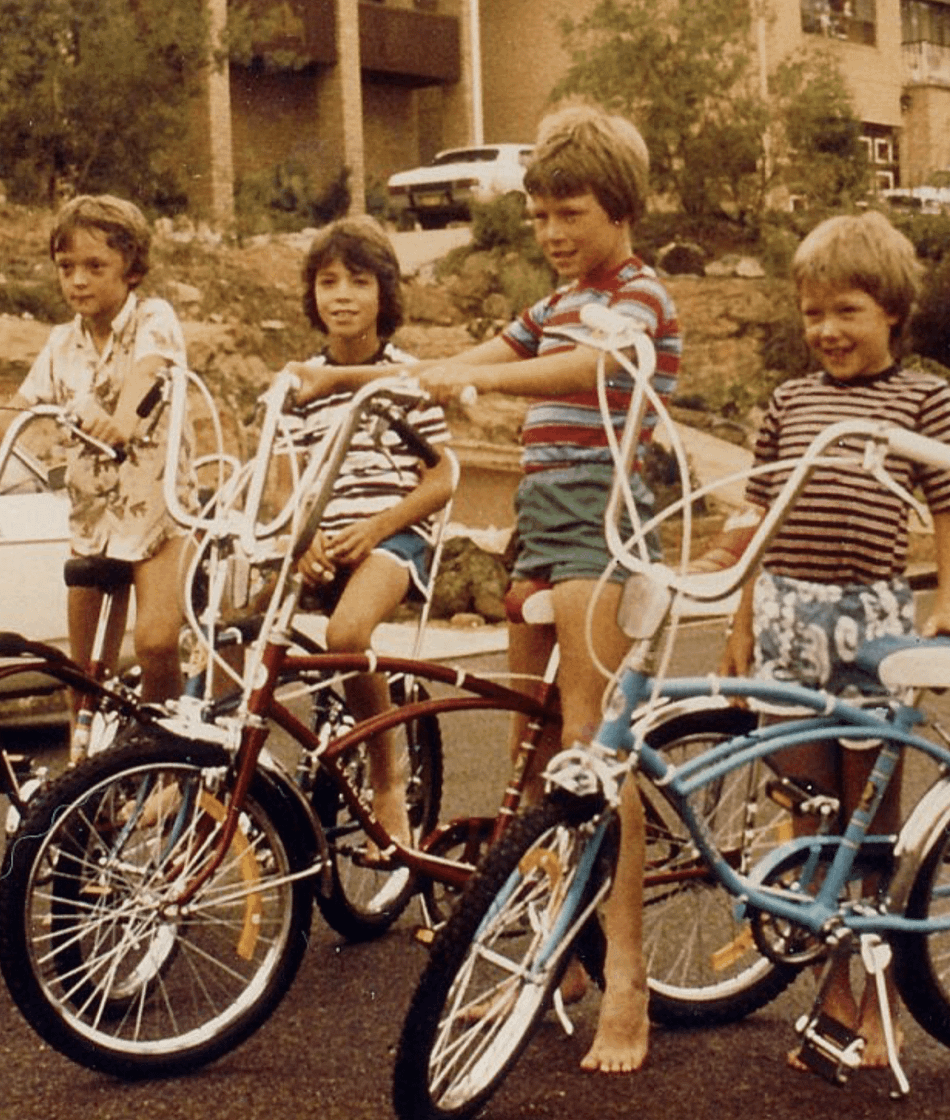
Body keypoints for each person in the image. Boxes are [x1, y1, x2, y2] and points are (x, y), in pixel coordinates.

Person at [293, 103, 678, 1075]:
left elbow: (586, 367)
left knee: (593, 752)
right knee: (530, 751)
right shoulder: (554, 300)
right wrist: (374, 380)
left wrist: (474, 381)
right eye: (540, 215)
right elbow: (476, 358)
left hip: (605, 523)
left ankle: (627, 977)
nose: (551, 232)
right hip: (541, 519)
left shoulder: (637, 296)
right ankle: (556, 949)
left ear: (621, 209)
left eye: (569, 214)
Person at [717, 209, 950, 1071]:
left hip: (871, 622)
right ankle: (832, 994)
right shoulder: (789, 401)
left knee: (869, 829)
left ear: (892, 313)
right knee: (810, 827)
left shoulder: (923, 398)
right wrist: (738, 623)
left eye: (847, 311)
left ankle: (882, 1006)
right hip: (784, 620)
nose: (827, 330)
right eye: (813, 314)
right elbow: (758, 519)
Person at [0, 193, 191, 709]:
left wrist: (121, 423)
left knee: (156, 643)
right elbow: (14, 412)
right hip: (93, 521)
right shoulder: (62, 344)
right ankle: (83, 755)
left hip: (158, 515)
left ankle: (166, 750)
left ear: (131, 269)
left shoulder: (154, 319)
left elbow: (148, 373)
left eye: (95, 267)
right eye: (66, 267)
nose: (78, 280)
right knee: (82, 676)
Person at [283, 215, 455, 850]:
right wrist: (302, 540)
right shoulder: (301, 383)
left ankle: (387, 777)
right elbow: (287, 481)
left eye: (359, 281)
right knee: (225, 622)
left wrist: (376, 525)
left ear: (385, 293)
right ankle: (211, 766)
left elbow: (443, 478)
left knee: (347, 634)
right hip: (322, 541)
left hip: (390, 539)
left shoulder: (407, 379)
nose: (342, 296)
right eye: (328, 282)